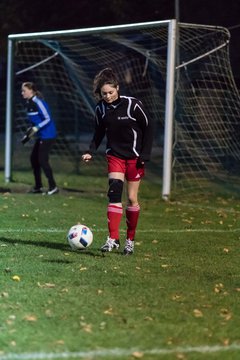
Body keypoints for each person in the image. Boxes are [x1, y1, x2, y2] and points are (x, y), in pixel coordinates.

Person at [82, 68, 153, 255]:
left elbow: (149, 128)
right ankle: (113, 238)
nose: (107, 96)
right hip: (115, 155)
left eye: (110, 92)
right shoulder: (100, 108)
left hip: (134, 157)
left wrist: (144, 154)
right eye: (104, 93)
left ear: (118, 88)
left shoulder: (133, 105)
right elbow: (98, 133)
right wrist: (90, 150)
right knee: (114, 192)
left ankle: (130, 240)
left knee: (131, 199)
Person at [21, 82, 59, 195]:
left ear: (31, 91)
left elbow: (48, 118)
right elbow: (34, 123)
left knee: (42, 160)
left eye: (24, 91)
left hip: (48, 135)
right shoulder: (28, 103)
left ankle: (53, 187)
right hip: (42, 136)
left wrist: (37, 128)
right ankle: (38, 187)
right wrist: (28, 134)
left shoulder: (38, 102)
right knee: (34, 159)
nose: (22, 93)